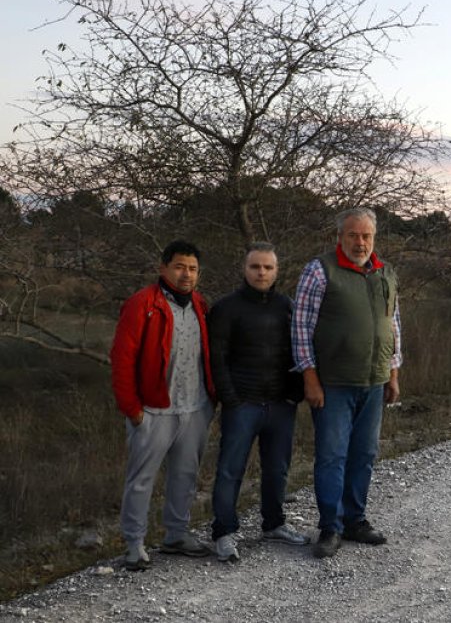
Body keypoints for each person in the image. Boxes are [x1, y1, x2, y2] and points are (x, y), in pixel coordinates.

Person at [293, 208, 402, 559]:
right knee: (332, 456)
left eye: (366, 236)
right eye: (353, 235)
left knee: (364, 454)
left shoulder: (385, 273)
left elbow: (393, 325)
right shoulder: (319, 271)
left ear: (374, 238)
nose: (360, 242)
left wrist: (393, 372)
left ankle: (355, 520)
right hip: (333, 383)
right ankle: (331, 526)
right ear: (340, 236)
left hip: (374, 381)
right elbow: (301, 329)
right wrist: (310, 377)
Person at [110, 240, 215, 571]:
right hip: (154, 411)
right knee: (141, 479)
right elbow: (122, 359)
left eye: (193, 269)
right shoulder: (143, 304)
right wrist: (132, 409)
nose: (186, 274)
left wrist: (211, 401)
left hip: (194, 408)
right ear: (163, 268)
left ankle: (176, 535)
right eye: (179, 267)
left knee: (185, 475)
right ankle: (134, 544)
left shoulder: (200, 305)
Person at [208, 243, 310, 563]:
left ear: (276, 271)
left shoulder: (288, 307)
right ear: (245, 269)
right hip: (243, 404)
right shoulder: (226, 308)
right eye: (255, 266)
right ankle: (224, 532)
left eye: (268, 267)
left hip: (280, 404)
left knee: (277, 468)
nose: (261, 272)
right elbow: (216, 358)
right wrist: (231, 399)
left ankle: (274, 524)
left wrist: (295, 393)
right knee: (230, 469)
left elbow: (300, 351)